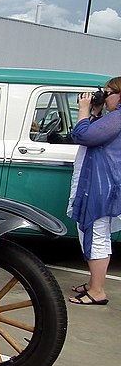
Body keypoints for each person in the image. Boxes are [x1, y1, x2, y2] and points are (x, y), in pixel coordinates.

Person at [66, 78, 121, 305]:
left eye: (106, 93)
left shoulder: (118, 118)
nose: (102, 97)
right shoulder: (113, 118)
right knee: (95, 232)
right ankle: (93, 283)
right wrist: (95, 113)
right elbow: (94, 133)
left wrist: (84, 109)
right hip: (103, 183)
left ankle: (97, 291)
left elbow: (84, 136)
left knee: (95, 233)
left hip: (101, 185)